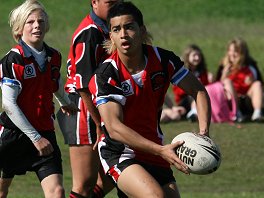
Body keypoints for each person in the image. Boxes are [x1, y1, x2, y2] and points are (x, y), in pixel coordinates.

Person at [88, 2, 211, 197]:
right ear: (110, 35)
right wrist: (160, 150)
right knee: (154, 196)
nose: (123, 34)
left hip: (154, 147)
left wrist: (203, 133)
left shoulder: (162, 60)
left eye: (129, 27)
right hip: (120, 150)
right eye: (116, 29)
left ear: (142, 30)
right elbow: (114, 127)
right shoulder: (106, 74)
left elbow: (198, 90)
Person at [0, 0, 78, 197]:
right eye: (30, 22)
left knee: (57, 192)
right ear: (19, 28)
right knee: (2, 190)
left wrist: (65, 101)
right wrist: (35, 138)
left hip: (45, 132)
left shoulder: (54, 56)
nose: (37, 26)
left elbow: (55, 81)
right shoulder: (13, 60)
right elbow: (9, 104)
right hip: (13, 136)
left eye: (41, 21)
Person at [57, 0, 121, 197]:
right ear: (94, 3)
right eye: (110, 2)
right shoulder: (90, 33)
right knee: (84, 183)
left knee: (119, 170)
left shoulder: (109, 29)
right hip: (82, 109)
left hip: (100, 108)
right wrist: (99, 124)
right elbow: (83, 85)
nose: (116, 5)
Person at [216, 37, 264, 121]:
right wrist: (224, 75)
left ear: (242, 53)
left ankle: (257, 113)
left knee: (257, 84)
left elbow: (262, 86)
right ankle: (236, 113)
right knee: (227, 81)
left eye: (235, 51)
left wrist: (252, 81)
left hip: (247, 99)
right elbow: (216, 88)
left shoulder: (251, 65)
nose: (232, 54)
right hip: (230, 100)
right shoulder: (224, 65)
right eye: (230, 50)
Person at [172, 44, 213, 121]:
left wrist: (209, 82)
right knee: (194, 94)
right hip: (184, 100)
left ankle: (196, 113)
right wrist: (191, 86)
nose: (197, 58)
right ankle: (194, 112)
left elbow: (206, 89)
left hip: (200, 99)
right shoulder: (182, 71)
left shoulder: (202, 72)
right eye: (194, 55)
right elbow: (177, 91)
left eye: (199, 56)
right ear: (188, 56)